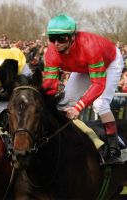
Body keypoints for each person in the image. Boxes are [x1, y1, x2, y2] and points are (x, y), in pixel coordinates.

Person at [43, 14, 124, 165]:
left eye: (61, 38)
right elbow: (49, 85)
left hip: (110, 62)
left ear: (73, 37)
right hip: (83, 66)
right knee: (63, 103)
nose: (56, 43)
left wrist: (79, 107)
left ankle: (115, 148)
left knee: (100, 104)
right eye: (52, 38)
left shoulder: (89, 46)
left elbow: (98, 84)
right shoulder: (51, 52)